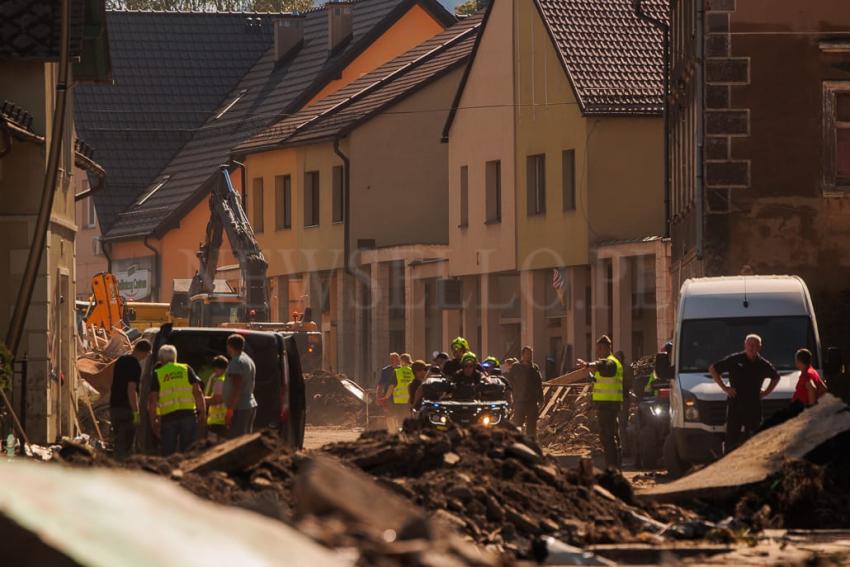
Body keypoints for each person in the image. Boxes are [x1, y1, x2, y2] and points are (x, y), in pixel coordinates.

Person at [709, 334, 780, 453]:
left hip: (754, 406)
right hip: (736, 404)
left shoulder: (763, 364)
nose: (752, 347)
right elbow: (713, 369)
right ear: (745, 345)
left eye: (755, 345)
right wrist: (725, 388)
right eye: (749, 344)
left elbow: (776, 377)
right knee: (732, 438)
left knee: (755, 438)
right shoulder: (735, 359)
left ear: (759, 347)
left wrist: (766, 392)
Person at [148, 345, 206, 456]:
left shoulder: (158, 374)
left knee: (168, 453)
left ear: (161, 359)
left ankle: (168, 472)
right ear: (175, 356)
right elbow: (198, 392)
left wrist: (153, 421)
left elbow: (153, 400)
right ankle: (187, 472)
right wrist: (202, 412)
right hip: (188, 415)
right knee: (188, 452)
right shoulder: (186, 368)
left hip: (169, 417)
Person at [578, 336, 624, 469]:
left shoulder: (611, 362)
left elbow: (604, 365)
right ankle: (616, 467)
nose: (597, 352)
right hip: (608, 405)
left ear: (607, 348)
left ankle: (612, 468)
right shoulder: (610, 364)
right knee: (613, 437)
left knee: (608, 438)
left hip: (608, 406)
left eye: (599, 349)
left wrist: (588, 365)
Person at [761, 348, 826, 430]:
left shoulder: (806, 374)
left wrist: (811, 408)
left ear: (798, 361)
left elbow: (812, 388)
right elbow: (823, 389)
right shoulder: (813, 372)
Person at [109, 339, 151, 459]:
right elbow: (131, 390)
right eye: (147, 354)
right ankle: (122, 470)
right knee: (125, 444)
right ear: (144, 352)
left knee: (118, 441)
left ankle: (115, 467)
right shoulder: (135, 365)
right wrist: (136, 412)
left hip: (114, 407)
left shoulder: (121, 360)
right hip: (126, 410)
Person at [224, 333, 258, 438]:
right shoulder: (247, 359)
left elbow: (236, 387)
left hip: (240, 408)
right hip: (248, 405)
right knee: (245, 439)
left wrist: (230, 410)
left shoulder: (237, 362)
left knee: (237, 440)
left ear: (229, 346)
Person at [508, 346, 544, 439]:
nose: (529, 356)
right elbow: (510, 382)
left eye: (531, 354)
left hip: (532, 400)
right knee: (518, 423)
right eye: (527, 354)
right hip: (519, 400)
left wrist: (541, 399)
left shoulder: (535, 367)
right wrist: (513, 396)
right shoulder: (516, 367)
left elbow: (538, 384)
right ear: (523, 355)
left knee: (531, 424)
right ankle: (517, 442)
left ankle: (531, 442)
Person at [384, 355, 415, 431]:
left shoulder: (397, 372)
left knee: (400, 419)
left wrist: (386, 397)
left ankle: (401, 436)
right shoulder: (412, 372)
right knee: (408, 418)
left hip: (399, 400)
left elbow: (391, 386)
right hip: (410, 400)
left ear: (402, 361)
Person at [204, 355, 229, 439]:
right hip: (227, 418)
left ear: (219, 368)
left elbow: (216, 400)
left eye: (215, 369)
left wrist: (201, 399)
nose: (214, 371)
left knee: (212, 447)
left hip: (217, 420)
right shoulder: (229, 378)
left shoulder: (220, 381)